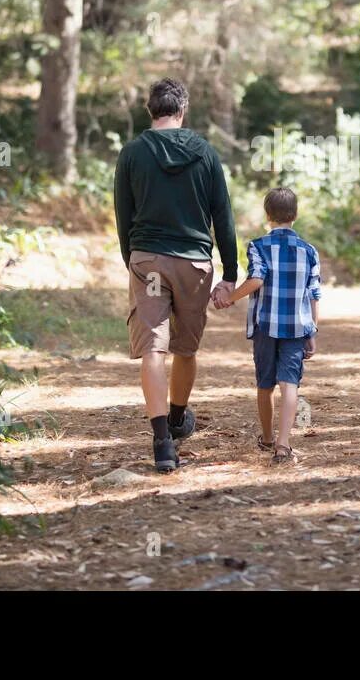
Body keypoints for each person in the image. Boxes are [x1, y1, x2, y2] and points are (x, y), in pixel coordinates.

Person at [114, 79, 237, 472]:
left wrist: (132, 260)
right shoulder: (204, 152)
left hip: (149, 261)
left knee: (153, 348)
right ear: (182, 111)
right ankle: (179, 416)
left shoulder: (132, 153)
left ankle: (162, 441)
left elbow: (124, 216)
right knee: (185, 347)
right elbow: (223, 216)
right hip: (193, 264)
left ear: (150, 111)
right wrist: (231, 273)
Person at [218, 187, 321, 465]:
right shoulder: (309, 251)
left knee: (265, 384)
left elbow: (257, 279)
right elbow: (313, 294)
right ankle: (283, 445)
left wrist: (230, 297)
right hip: (297, 328)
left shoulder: (258, 246)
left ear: (267, 215)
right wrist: (312, 331)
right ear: (295, 215)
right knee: (290, 385)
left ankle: (266, 437)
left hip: (265, 325)